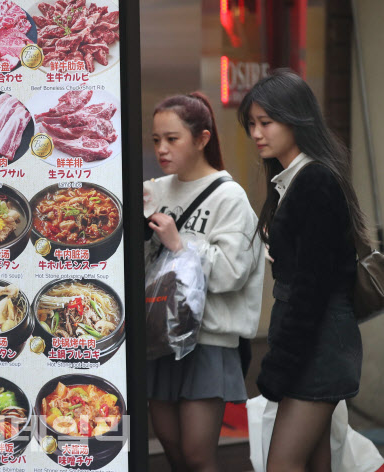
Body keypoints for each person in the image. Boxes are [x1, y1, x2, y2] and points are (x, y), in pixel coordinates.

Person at [238, 69, 368, 472]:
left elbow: (312, 287)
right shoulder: (294, 180)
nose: (257, 133)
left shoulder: (314, 181)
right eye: (252, 124)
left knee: (283, 464)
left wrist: (278, 365)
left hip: (319, 343)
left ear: (296, 119)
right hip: (314, 341)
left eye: (267, 122)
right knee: (315, 465)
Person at [145, 92, 265, 472]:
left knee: (198, 457)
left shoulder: (230, 197)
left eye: (172, 139)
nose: (162, 149)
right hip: (158, 337)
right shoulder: (154, 192)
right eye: (156, 140)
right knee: (173, 453)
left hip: (208, 341)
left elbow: (233, 272)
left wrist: (180, 244)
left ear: (202, 139)